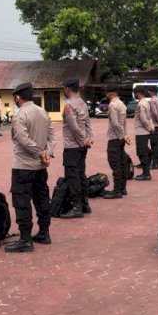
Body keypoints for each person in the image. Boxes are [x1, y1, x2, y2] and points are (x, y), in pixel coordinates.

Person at [6, 82, 55, 252]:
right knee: (42, 198)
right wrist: (47, 152)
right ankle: (44, 232)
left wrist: (39, 152)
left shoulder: (21, 115)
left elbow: (22, 138)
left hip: (24, 166)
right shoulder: (43, 112)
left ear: (18, 97)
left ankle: (25, 239)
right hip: (40, 167)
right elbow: (52, 135)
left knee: (22, 201)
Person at [59, 78, 94, 219]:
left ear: (68, 88)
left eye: (64, 88)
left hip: (72, 146)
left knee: (73, 176)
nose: (63, 91)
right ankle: (85, 204)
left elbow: (73, 127)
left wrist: (83, 139)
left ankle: (76, 207)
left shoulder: (69, 105)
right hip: (82, 146)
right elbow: (87, 123)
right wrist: (89, 138)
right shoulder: (82, 103)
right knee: (81, 174)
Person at [102, 85, 131, 199]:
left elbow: (115, 124)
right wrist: (125, 135)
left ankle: (117, 190)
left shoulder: (113, 105)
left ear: (110, 93)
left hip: (115, 137)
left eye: (106, 93)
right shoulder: (122, 104)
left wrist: (121, 136)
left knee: (115, 163)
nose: (106, 95)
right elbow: (124, 122)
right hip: (120, 137)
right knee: (122, 162)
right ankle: (122, 188)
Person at [133, 86, 154, 181]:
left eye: (135, 93)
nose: (134, 95)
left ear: (138, 93)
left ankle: (146, 174)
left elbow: (143, 119)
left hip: (141, 131)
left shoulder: (141, 104)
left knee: (141, 152)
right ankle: (146, 172)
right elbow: (149, 118)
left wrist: (149, 128)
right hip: (145, 131)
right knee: (145, 151)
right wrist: (151, 127)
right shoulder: (146, 102)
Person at [147, 86, 158, 168]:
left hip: (154, 124)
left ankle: (154, 163)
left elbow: (154, 113)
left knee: (154, 145)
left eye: (149, 91)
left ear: (151, 92)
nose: (148, 92)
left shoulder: (152, 101)